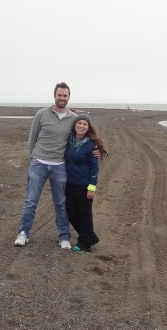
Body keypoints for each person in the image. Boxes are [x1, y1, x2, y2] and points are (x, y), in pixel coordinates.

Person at [14, 82, 77, 249]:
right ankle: (24, 233)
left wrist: (95, 149)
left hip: (59, 166)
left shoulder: (74, 118)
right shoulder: (41, 114)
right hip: (39, 163)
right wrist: (32, 158)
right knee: (31, 201)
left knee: (61, 203)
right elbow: (32, 138)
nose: (62, 98)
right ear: (54, 96)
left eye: (65, 95)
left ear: (69, 97)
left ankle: (64, 237)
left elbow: (82, 138)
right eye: (59, 95)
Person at [64, 114, 108, 253]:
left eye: (85, 124)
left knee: (84, 215)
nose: (81, 126)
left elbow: (95, 169)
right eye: (79, 123)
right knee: (71, 213)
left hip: (83, 185)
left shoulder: (91, 145)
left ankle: (84, 243)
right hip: (68, 184)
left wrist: (91, 188)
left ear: (88, 128)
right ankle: (90, 236)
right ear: (75, 125)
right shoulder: (68, 141)